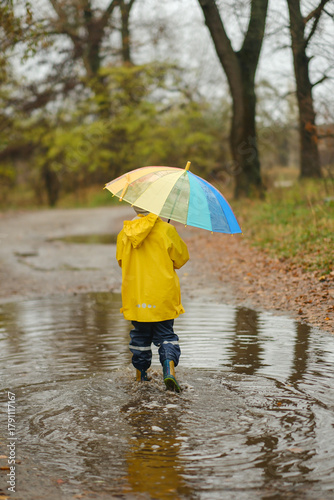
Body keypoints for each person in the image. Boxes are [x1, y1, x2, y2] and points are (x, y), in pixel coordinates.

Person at [116, 206, 189, 392]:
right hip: (162, 296)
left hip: (136, 297)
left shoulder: (125, 233)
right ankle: (169, 370)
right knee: (166, 335)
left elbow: (121, 261)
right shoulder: (167, 230)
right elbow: (181, 259)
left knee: (140, 336)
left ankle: (141, 376)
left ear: (134, 206)